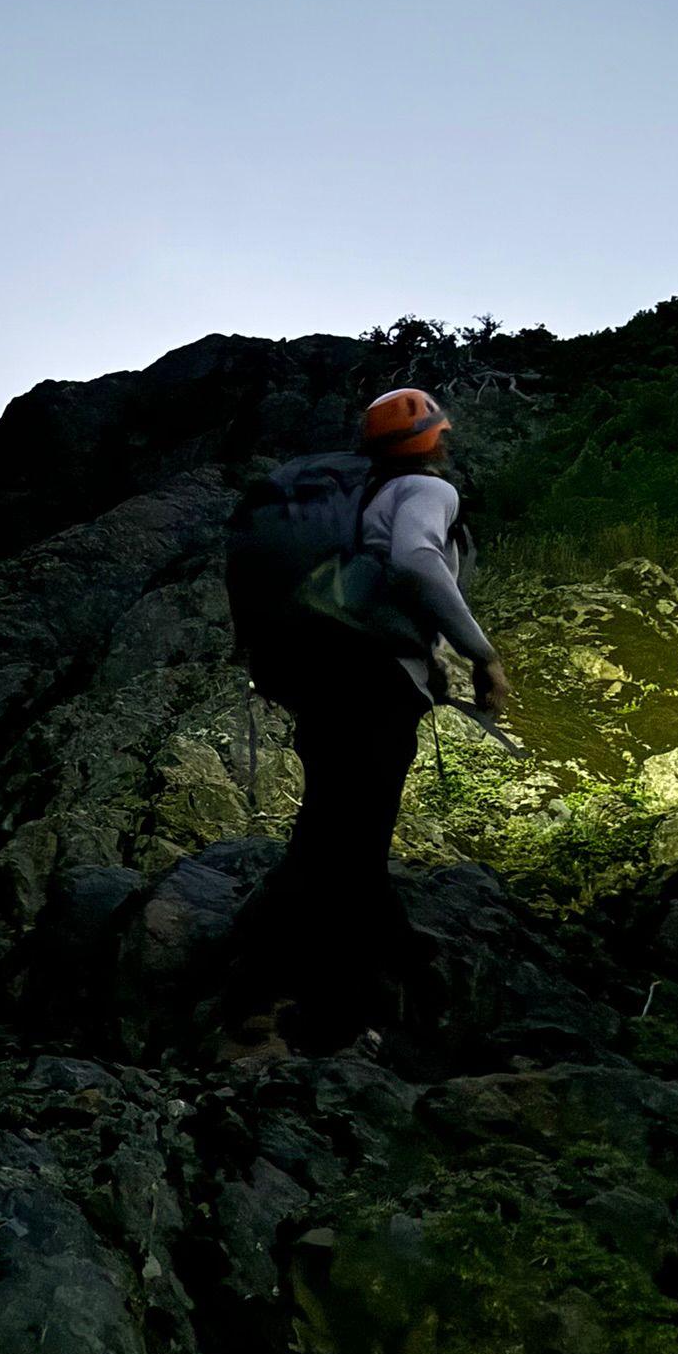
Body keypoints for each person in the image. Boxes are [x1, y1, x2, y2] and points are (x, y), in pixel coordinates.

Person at [225, 388, 509, 1047]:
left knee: (338, 831)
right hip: (376, 687)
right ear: (434, 438)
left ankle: (390, 962)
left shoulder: (362, 498)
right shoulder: (426, 492)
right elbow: (416, 562)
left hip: (323, 682)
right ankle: (294, 1004)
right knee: (340, 844)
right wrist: (483, 655)